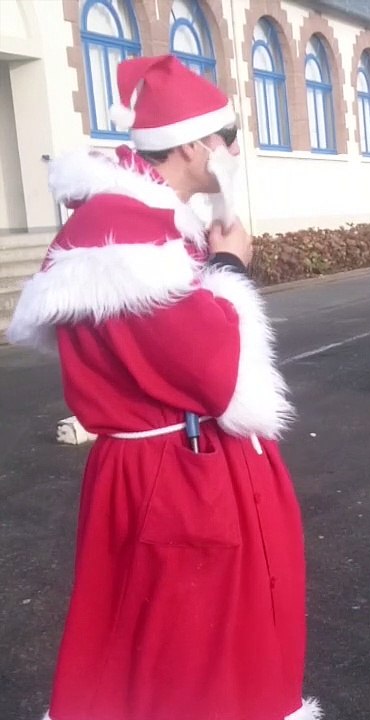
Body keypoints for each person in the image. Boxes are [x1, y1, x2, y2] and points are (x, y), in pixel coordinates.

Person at [6, 55, 318, 720]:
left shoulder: (143, 226)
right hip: (172, 483)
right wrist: (231, 267)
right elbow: (216, 372)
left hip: (177, 472)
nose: (234, 150)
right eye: (227, 136)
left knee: (184, 661)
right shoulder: (124, 240)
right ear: (191, 144)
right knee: (181, 667)